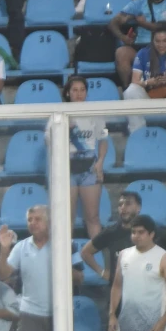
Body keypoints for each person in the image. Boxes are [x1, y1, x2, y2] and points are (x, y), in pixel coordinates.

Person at [108, 215, 166, 331]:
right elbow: (117, 286)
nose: (136, 236)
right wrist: (112, 315)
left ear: (152, 234)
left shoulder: (164, 258)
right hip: (126, 329)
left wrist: (163, 322)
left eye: (141, 232)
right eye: (133, 232)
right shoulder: (124, 255)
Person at [80, 190, 166, 290]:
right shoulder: (111, 232)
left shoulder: (152, 230)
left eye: (128, 204)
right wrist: (102, 272)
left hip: (147, 293)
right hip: (119, 293)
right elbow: (85, 252)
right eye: (120, 205)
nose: (123, 208)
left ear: (138, 207)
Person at [0, 208, 53, 331]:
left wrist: (62, 267)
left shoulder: (65, 244)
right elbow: (3, 275)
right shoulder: (21, 247)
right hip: (31, 315)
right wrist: (4, 250)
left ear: (49, 221)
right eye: (30, 219)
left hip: (60, 314)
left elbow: (79, 278)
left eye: (38, 219)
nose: (33, 223)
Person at [63, 77, 109, 241]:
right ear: (68, 92)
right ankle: (66, 262)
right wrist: (63, 129)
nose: (79, 93)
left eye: (82, 89)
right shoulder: (58, 112)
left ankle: (101, 263)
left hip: (89, 167)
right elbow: (48, 141)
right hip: (66, 169)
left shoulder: (95, 112)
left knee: (93, 217)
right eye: (75, 90)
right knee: (66, 220)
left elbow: (103, 139)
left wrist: (100, 162)